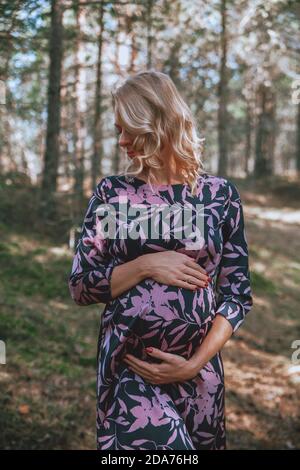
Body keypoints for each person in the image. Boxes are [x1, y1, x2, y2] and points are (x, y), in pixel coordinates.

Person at [68, 70, 253, 450]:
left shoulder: (220, 197)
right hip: (131, 372)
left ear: (157, 123)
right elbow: (81, 284)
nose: (121, 141)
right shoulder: (112, 195)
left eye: (128, 129)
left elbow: (237, 296)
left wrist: (193, 364)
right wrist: (146, 265)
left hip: (200, 376)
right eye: (118, 130)